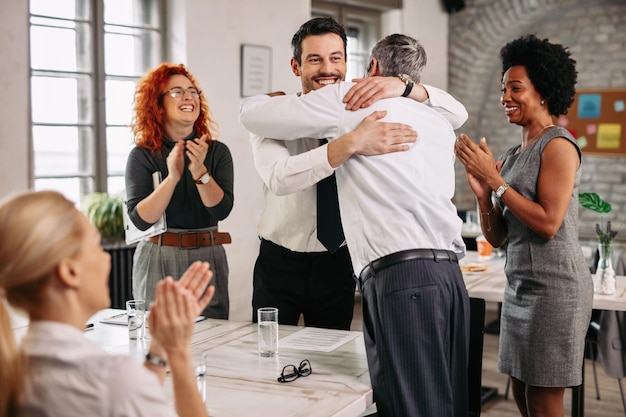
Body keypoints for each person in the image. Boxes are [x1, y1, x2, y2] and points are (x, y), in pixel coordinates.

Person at [241, 32, 470, 417]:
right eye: (315, 59)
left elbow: (248, 111)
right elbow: (458, 112)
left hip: (388, 274)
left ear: (368, 68)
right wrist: (359, 133)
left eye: (337, 58)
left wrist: (394, 90)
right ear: (296, 66)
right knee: (442, 401)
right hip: (446, 275)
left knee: (405, 402)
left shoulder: (349, 100)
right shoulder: (437, 119)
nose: (329, 69)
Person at [454, 34, 593, 417]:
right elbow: (499, 237)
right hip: (520, 290)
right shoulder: (514, 155)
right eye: (503, 89)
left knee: (544, 404)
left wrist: (497, 182)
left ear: (544, 91)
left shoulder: (559, 146)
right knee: (520, 396)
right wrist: (484, 194)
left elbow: (549, 224)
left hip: (556, 294)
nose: (505, 97)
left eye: (516, 88)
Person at [0, 190, 214, 417]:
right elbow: (118, 394)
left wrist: (159, 348)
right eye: (96, 246)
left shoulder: (16, 369)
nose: (106, 259)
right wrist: (178, 353)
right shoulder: (107, 380)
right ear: (70, 272)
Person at [126, 63, 234, 319]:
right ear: (158, 104)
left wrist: (199, 172)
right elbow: (140, 219)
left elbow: (222, 209)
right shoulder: (142, 155)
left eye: (192, 91)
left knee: (212, 337)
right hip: (158, 254)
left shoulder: (217, 152)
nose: (188, 97)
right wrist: (172, 177)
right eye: (176, 91)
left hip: (208, 254)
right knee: (158, 339)